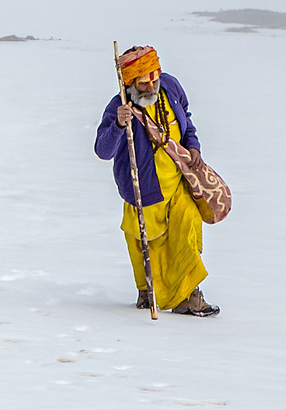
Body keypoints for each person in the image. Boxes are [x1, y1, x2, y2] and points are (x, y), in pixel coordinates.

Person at [93, 45, 219, 315]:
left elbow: (187, 121)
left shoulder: (170, 88)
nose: (151, 86)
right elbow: (103, 151)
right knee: (151, 245)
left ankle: (189, 296)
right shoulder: (119, 107)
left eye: (153, 78)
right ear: (129, 83)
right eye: (143, 82)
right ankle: (148, 292)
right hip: (145, 189)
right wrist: (117, 125)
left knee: (186, 235)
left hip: (178, 182)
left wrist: (193, 147)